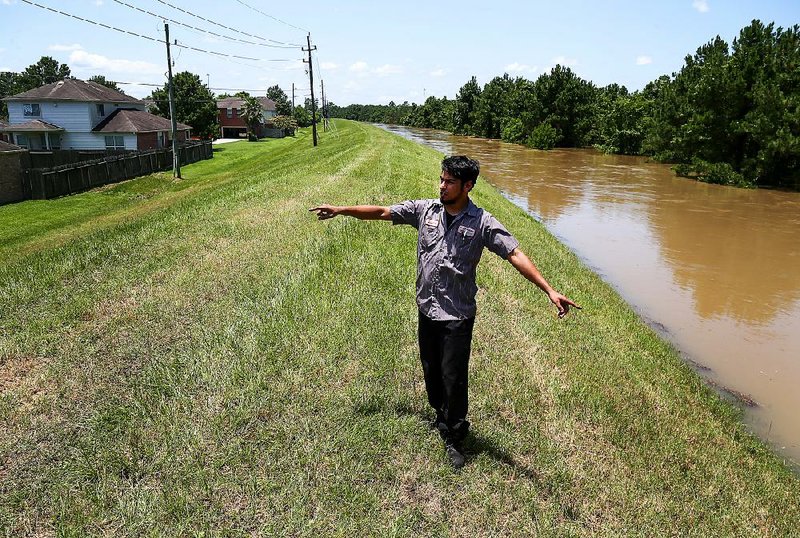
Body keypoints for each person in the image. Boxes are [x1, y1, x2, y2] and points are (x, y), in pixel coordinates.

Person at [309, 155, 580, 469]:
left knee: (453, 377)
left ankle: (455, 433)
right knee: (431, 370)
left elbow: (514, 253)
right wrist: (342, 209)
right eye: (442, 179)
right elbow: (383, 211)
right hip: (427, 308)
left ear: (468, 186)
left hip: (457, 316)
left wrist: (548, 289)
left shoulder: (482, 222)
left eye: (450, 182)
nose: (442, 186)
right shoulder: (427, 211)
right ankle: (440, 414)